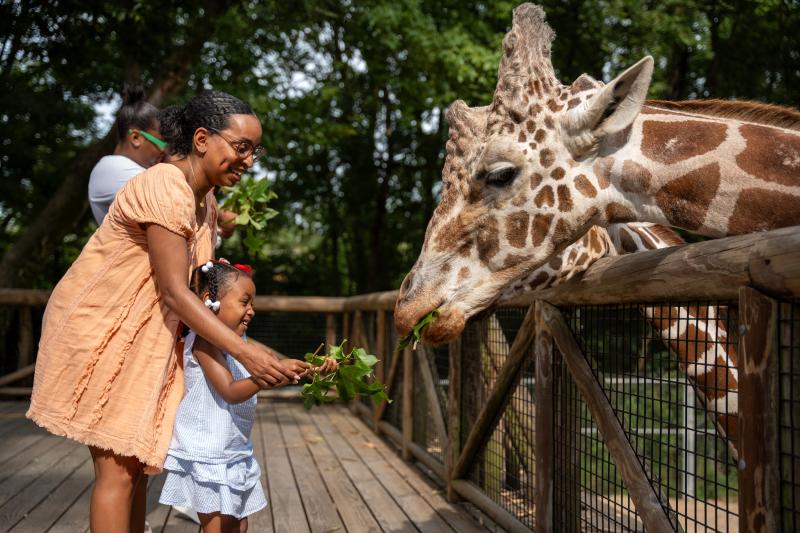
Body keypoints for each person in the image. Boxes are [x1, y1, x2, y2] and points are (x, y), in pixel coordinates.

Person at [27, 90, 307, 533]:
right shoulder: (163, 185)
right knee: (118, 469)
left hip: (152, 335)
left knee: (140, 462)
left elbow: (204, 291)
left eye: (255, 150)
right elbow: (177, 293)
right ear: (201, 138)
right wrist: (247, 355)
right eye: (241, 147)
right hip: (105, 331)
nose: (249, 160)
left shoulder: (207, 202)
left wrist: (265, 354)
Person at [159, 260, 337, 532]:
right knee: (217, 526)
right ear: (211, 301)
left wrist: (316, 369)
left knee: (238, 525)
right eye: (244, 302)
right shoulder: (205, 342)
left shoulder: (240, 344)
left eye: (252, 303)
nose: (251, 311)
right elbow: (230, 391)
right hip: (208, 451)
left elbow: (274, 372)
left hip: (232, 448)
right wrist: (260, 379)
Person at [88, 84, 167, 225]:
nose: (164, 151)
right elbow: (173, 198)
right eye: (162, 143)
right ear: (136, 138)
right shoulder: (111, 168)